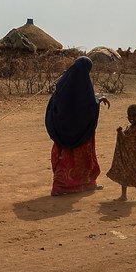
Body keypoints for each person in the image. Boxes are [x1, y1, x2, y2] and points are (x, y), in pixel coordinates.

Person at [45, 56, 110, 196]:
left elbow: (56, 104)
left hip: (62, 131)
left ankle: (61, 187)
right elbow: (87, 105)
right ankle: (86, 183)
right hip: (81, 132)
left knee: (65, 159)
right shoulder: (83, 84)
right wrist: (98, 101)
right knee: (83, 158)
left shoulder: (63, 82)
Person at [106, 104, 136, 201]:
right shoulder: (128, 127)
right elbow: (124, 139)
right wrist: (120, 132)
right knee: (124, 173)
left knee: (134, 175)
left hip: (135, 157)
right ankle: (123, 195)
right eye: (129, 115)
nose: (131, 118)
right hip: (126, 156)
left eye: (134, 116)